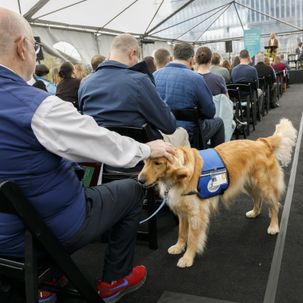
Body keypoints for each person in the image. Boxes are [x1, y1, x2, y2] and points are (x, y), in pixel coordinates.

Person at [0, 7, 175, 303]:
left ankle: (45, 281)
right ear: (22, 47)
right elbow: (103, 144)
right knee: (131, 190)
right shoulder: (39, 108)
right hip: (43, 230)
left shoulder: (86, 83)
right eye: (35, 46)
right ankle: (114, 281)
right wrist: (147, 148)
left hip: (10, 226)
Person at [79, 34, 189, 146]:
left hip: (99, 150)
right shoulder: (139, 81)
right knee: (182, 133)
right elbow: (169, 126)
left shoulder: (85, 83)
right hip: (141, 152)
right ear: (133, 53)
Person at [154, 42, 225, 147]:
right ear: (192, 60)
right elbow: (210, 112)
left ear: (173, 57)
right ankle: (215, 160)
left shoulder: (154, 76)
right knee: (219, 122)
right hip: (190, 132)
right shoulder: (196, 79)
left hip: (160, 131)